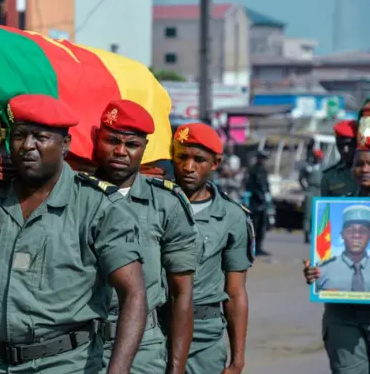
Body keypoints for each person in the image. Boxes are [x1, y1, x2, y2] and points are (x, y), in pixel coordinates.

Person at [0, 94, 147, 374]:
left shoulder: (97, 206)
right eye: (19, 136)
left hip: (62, 364)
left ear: (65, 145)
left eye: (40, 137)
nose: (28, 146)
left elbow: (134, 294)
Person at [92, 100, 200, 374]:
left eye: (131, 145)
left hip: (143, 348)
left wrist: (176, 368)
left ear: (144, 149)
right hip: (79, 346)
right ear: (96, 139)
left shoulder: (165, 203)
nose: (120, 151)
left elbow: (181, 292)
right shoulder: (74, 196)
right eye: (112, 141)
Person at [171, 123, 252, 374]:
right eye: (182, 157)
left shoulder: (231, 216)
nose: (188, 167)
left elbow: (236, 293)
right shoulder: (155, 205)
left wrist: (237, 360)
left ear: (216, 163)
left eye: (199, 160)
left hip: (204, 338)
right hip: (157, 331)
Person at [304, 140, 370, 373]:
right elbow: (321, 261)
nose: (364, 169)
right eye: (359, 164)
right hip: (343, 317)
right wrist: (315, 272)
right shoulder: (334, 208)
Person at [315, 205, 370, 292]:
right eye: (350, 230)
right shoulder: (323, 269)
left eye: (363, 231)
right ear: (342, 235)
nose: (356, 235)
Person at [321, 120, 358, 197]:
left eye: (350, 144)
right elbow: (324, 207)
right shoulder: (330, 176)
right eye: (341, 145)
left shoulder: (366, 172)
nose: (345, 150)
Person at [245, 150, 271, 256]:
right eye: (262, 158)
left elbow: (266, 185)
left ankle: (259, 248)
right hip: (255, 202)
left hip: (263, 202)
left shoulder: (264, 170)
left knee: (262, 226)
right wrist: (259, 196)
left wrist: (267, 195)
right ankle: (252, 248)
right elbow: (250, 186)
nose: (264, 161)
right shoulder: (253, 170)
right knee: (254, 226)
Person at [300, 148, 324, 244]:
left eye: (318, 157)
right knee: (308, 214)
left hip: (319, 191)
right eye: (315, 157)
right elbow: (301, 178)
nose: (317, 159)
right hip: (310, 190)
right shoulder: (308, 167)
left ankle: (316, 234)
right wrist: (305, 188)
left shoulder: (323, 168)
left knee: (318, 214)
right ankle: (307, 234)